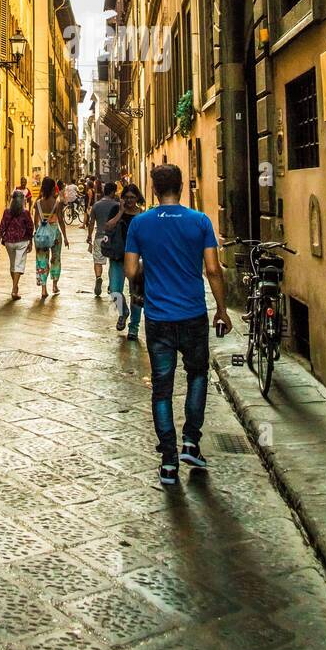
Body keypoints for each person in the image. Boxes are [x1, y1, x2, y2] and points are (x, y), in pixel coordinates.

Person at [124, 164, 232, 487]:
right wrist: (223, 311)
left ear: (154, 190)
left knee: (162, 386)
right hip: (194, 315)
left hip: (158, 318)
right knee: (198, 374)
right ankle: (191, 442)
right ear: (182, 187)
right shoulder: (200, 222)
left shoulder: (140, 225)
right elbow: (213, 269)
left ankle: (168, 461)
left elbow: (130, 272)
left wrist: (149, 263)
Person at [102, 183, 146, 340]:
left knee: (136, 294)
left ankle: (133, 328)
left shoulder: (142, 215)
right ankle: (123, 312)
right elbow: (107, 226)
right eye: (126, 197)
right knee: (114, 290)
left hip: (136, 259)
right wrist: (120, 212)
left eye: (132, 197)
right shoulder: (116, 210)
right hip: (117, 257)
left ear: (137, 198)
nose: (129, 201)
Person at [33, 177, 69, 299]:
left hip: (42, 234)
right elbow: (61, 221)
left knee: (42, 260)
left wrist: (38, 232)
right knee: (56, 259)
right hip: (54, 233)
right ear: (53, 188)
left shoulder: (37, 203)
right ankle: (54, 285)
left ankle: (44, 289)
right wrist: (65, 237)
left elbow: (35, 221)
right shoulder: (57, 203)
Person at [0, 191, 34, 300]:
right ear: (22, 201)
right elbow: (30, 228)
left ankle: (15, 288)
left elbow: (2, 226)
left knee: (13, 265)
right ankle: (14, 289)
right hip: (21, 242)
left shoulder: (7, 212)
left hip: (9, 242)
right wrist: (31, 241)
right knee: (18, 265)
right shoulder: (25, 213)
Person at [87, 181, 120, 298]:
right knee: (112, 261)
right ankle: (111, 284)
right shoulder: (117, 205)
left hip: (99, 236)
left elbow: (91, 222)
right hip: (113, 238)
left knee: (97, 260)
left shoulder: (96, 205)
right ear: (112, 192)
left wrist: (89, 236)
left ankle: (98, 277)